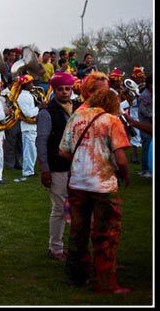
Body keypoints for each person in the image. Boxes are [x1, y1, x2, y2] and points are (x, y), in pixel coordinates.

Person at [59, 88, 131, 294]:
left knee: (77, 231)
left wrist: (81, 159)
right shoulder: (111, 120)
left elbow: (63, 151)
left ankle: (76, 278)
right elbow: (121, 159)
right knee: (106, 233)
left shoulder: (76, 117)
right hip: (103, 185)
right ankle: (106, 283)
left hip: (78, 184)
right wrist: (124, 174)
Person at [36, 72, 79, 262]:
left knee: (77, 208)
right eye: (60, 89)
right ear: (54, 90)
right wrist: (45, 168)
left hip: (77, 166)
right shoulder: (47, 112)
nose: (64, 92)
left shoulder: (78, 108)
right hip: (57, 166)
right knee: (60, 209)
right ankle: (55, 248)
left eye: (67, 89)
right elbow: (41, 141)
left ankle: (74, 247)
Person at [15, 74, 41, 182]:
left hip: (32, 126)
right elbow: (27, 113)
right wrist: (39, 107)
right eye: (30, 83)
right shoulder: (23, 97)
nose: (32, 84)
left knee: (32, 150)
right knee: (29, 151)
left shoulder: (29, 94)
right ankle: (27, 171)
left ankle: (30, 170)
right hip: (27, 127)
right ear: (25, 85)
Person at [137, 74, 152, 177]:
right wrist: (151, 115)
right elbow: (142, 110)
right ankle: (145, 169)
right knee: (146, 146)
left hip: (152, 125)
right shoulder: (144, 95)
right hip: (145, 125)